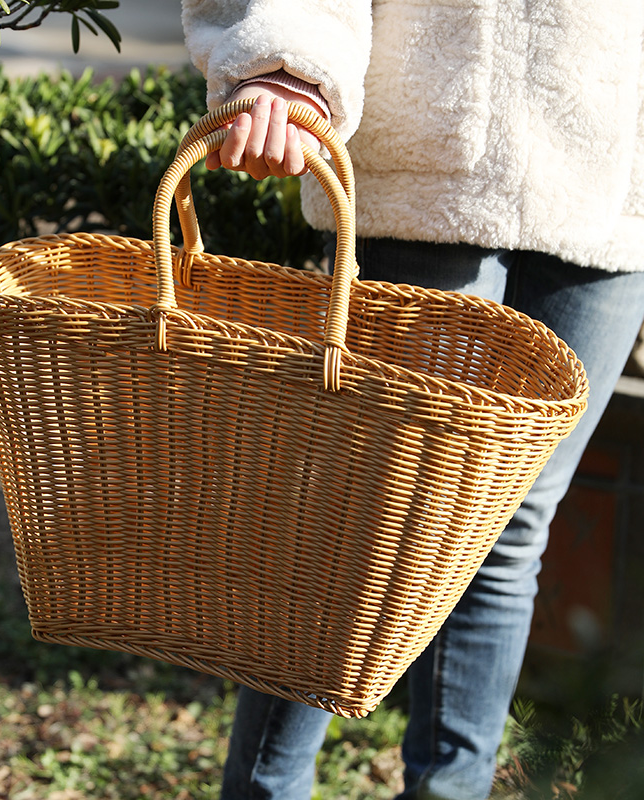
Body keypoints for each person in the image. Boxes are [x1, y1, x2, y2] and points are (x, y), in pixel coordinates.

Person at [180, 2, 644, 798]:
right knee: (360, 521)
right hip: (429, 157)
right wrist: (288, 65)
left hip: (616, 186)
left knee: (508, 529)